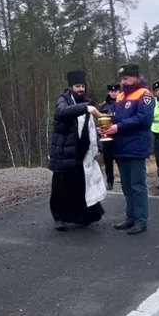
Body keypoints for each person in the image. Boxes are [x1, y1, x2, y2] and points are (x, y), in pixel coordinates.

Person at [48, 70, 107, 230]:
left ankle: (83, 216)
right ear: (70, 87)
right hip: (64, 152)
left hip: (82, 151)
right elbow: (63, 112)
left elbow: (93, 129)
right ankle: (59, 218)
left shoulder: (87, 102)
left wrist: (99, 148)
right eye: (77, 86)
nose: (80, 89)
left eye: (82, 86)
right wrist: (86, 108)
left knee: (81, 185)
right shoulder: (63, 101)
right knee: (60, 187)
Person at [100, 63, 155, 235]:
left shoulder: (145, 95)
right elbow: (114, 116)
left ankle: (141, 221)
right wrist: (106, 124)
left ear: (138, 77)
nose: (125, 81)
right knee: (126, 185)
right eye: (123, 78)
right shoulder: (120, 96)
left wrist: (118, 127)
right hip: (121, 147)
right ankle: (130, 218)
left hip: (136, 146)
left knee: (138, 185)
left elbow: (143, 119)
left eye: (128, 77)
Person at [98, 83, 120, 190]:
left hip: (120, 136)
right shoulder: (103, 106)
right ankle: (109, 181)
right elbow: (98, 122)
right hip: (107, 138)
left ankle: (124, 179)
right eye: (112, 91)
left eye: (116, 91)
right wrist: (100, 132)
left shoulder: (123, 103)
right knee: (108, 161)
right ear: (109, 92)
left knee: (121, 159)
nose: (114, 93)